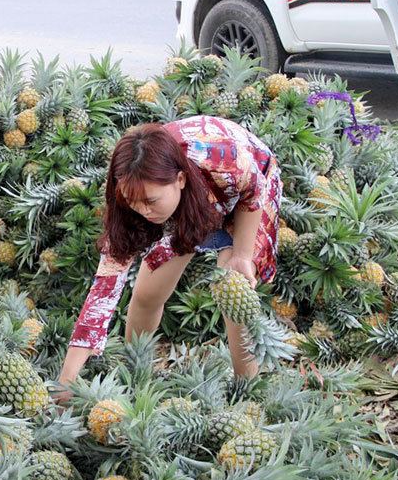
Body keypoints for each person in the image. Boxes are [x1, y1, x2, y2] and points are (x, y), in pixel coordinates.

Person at [54, 116, 282, 404]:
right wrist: (67, 378)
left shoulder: (227, 163)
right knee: (148, 292)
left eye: (150, 202)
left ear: (180, 180)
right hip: (189, 208)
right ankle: (135, 373)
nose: (143, 212)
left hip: (249, 187)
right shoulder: (133, 192)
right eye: (132, 202)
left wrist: (242, 255)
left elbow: (253, 191)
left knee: (233, 289)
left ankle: (247, 391)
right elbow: (103, 293)